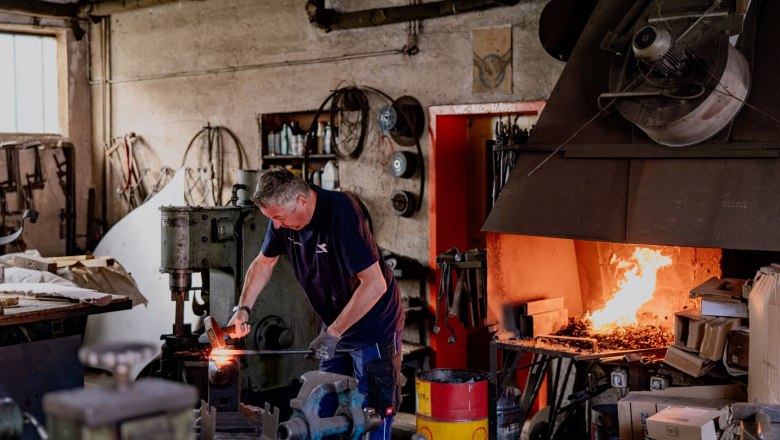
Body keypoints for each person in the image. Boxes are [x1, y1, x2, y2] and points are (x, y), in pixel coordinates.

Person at [228, 168, 404, 439]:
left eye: (278, 217)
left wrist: (333, 333)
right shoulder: (281, 222)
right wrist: (243, 309)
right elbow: (264, 262)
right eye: (271, 218)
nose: (275, 225)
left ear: (301, 201)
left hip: (372, 324)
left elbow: (375, 284)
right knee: (323, 405)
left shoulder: (340, 212)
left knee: (372, 412)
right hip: (335, 324)